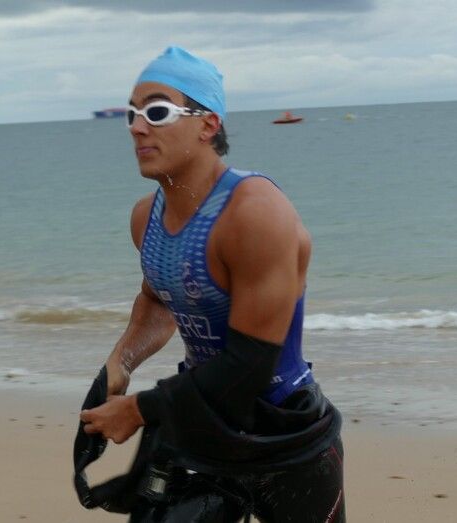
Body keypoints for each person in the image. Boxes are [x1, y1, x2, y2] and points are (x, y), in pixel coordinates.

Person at [78, 47, 344, 521]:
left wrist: (138, 410)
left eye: (157, 112)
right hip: (201, 418)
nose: (137, 127)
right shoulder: (146, 217)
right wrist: (121, 363)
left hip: (284, 430)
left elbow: (251, 363)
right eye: (133, 114)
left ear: (208, 125)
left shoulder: (254, 212)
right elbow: (159, 300)